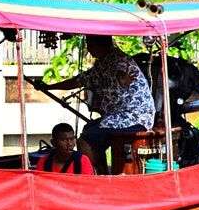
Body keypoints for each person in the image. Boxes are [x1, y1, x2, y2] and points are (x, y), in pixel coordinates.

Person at [41, 35, 154, 172]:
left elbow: (121, 76)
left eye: (90, 44)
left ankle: (94, 177)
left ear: (100, 45)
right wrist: (49, 87)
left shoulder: (118, 60)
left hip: (134, 117)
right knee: (89, 129)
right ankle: (101, 172)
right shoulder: (104, 62)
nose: (88, 49)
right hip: (120, 115)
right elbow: (78, 81)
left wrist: (122, 80)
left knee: (85, 140)